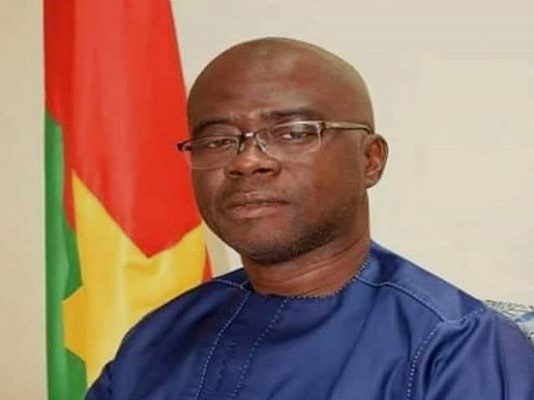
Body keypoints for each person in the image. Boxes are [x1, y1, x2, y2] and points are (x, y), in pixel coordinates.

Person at [87, 37, 534, 400]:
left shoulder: (454, 347)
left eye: (293, 133)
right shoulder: (158, 337)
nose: (247, 161)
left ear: (370, 160)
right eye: (218, 140)